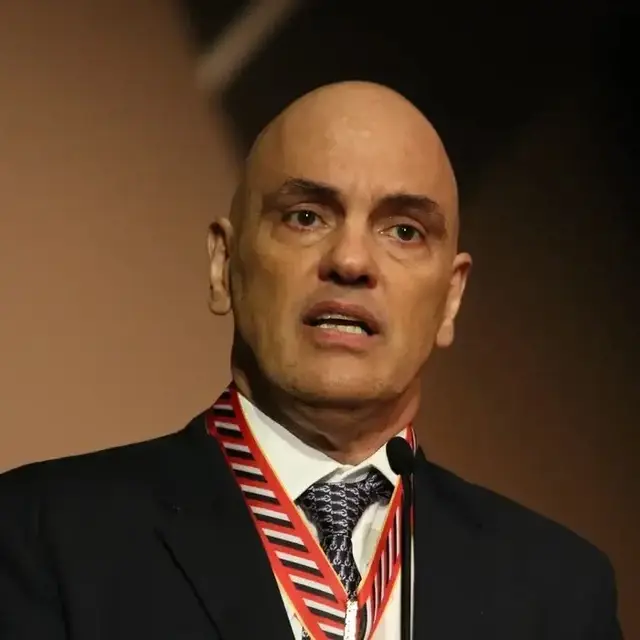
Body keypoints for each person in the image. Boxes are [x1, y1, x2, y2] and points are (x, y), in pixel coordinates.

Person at [0, 81, 622, 639]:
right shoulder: (41, 536)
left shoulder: (560, 595)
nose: (350, 261)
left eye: (404, 230)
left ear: (451, 298)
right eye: (306, 217)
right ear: (223, 265)